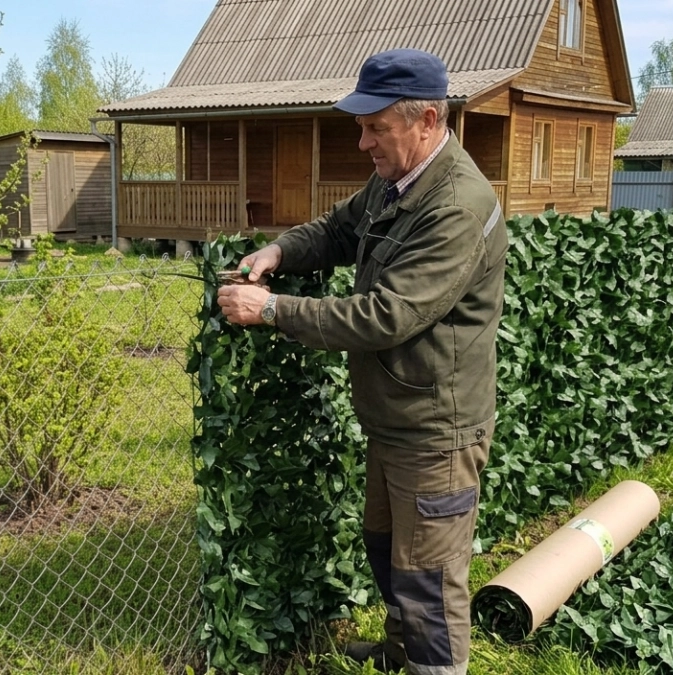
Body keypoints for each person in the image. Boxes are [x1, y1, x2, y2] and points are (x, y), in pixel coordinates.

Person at [216, 48, 508, 675]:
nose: (361, 141)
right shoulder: (398, 180)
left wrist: (271, 310)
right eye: (362, 124)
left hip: (436, 428)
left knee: (429, 581)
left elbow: (385, 316)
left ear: (426, 120)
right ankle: (400, 655)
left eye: (376, 126)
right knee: (390, 551)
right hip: (394, 417)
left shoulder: (456, 204)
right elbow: (337, 231)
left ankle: (432, 665)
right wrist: (277, 250)